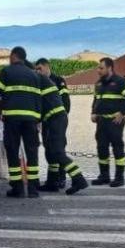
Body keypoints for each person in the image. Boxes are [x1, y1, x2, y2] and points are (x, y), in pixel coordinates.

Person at [0, 46, 43, 198]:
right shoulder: (34, 75)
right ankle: (33, 188)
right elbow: (39, 99)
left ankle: (17, 187)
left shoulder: (7, 71)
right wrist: (38, 119)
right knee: (32, 152)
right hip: (31, 120)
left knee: (12, 151)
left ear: (13, 56)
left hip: (13, 120)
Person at [35, 58, 87, 195]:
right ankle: (52, 182)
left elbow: (65, 102)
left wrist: (60, 117)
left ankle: (78, 179)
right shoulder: (40, 82)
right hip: (49, 120)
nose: (38, 71)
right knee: (50, 152)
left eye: (40, 68)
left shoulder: (58, 80)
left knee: (58, 151)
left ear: (47, 66)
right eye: (36, 69)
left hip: (56, 119)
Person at [90, 57, 125, 187]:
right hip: (101, 122)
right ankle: (104, 176)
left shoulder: (120, 82)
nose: (98, 70)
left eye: (101, 68)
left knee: (117, 149)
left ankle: (119, 178)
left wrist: (122, 113)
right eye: (98, 68)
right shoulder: (98, 84)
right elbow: (96, 100)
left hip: (114, 122)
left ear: (109, 68)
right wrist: (93, 112)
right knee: (101, 149)